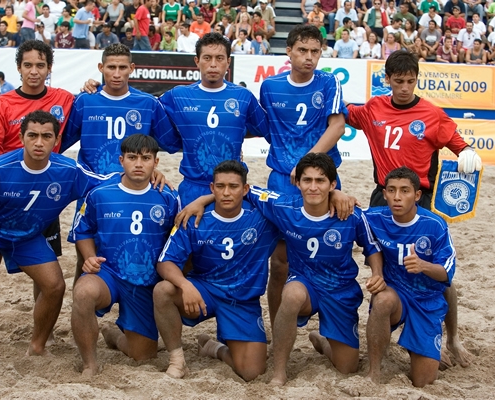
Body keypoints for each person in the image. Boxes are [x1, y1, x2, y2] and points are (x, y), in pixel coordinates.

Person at [345, 50, 480, 369]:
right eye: (399, 81)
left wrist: (469, 153)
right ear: (387, 79)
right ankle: (380, 338)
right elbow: (340, 114)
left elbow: (461, 147)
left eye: (411, 81)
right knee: (382, 273)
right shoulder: (373, 108)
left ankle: (452, 339)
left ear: (417, 80)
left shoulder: (432, 115)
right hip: (383, 196)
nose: (405, 87)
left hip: (421, 199)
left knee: (436, 274)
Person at [0, 110, 107, 376]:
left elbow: (107, 183)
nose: (39, 142)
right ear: (21, 137)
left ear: (56, 139)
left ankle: (37, 346)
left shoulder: (68, 170)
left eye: (46, 136)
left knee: (54, 285)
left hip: (26, 236)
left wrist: (151, 178)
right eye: (33, 136)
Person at [240, 153, 381, 386]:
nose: (313, 187)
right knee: (292, 294)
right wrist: (201, 201)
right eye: (307, 180)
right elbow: (244, 189)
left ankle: (323, 342)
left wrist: (376, 273)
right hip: (304, 282)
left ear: (332, 184)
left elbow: (372, 246)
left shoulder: (351, 214)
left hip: (340, 289)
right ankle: (279, 371)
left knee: (347, 367)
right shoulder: (284, 206)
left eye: (321, 181)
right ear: (297, 183)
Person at [61, 43, 180, 283]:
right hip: (92, 191)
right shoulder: (85, 101)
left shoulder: (147, 103)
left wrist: (154, 169)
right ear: (100, 68)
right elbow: (59, 142)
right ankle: (83, 309)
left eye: (122, 67)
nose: (116, 74)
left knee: (135, 252)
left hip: (136, 191)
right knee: (86, 258)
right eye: (111, 67)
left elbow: (172, 143)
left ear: (132, 69)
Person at [258, 24, 349, 332]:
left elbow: (337, 127)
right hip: (283, 181)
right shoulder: (270, 87)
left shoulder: (329, 82)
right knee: (280, 263)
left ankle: (332, 330)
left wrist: (307, 163)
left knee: (328, 257)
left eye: (315, 52)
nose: (309, 58)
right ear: (289, 51)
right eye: (302, 51)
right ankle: (277, 331)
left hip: (318, 178)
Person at [154, 160, 280, 380]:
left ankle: (215, 348)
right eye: (220, 187)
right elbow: (165, 262)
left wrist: (337, 195)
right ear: (212, 188)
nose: (226, 192)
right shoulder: (194, 218)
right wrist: (185, 284)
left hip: (242, 299)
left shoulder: (262, 218)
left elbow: (299, 203)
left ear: (245, 189)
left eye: (233, 186)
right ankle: (177, 360)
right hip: (205, 291)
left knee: (251, 372)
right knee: (163, 290)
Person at [71, 134, 179, 376]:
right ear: (121, 160)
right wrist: (88, 257)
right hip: (108, 273)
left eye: (145, 158)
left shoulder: (168, 197)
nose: (138, 164)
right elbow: (83, 230)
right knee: (83, 291)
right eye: (132, 157)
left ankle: (113, 335)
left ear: (156, 163)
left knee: (144, 355)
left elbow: (179, 238)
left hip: (145, 282)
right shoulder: (100, 193)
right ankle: (90, 364)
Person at [0, 40, 75, 285]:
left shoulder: (64, 99)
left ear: (49, 68)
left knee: (48, 282)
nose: (34, 71)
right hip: (5, 195)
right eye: (28, 65)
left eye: (40, 65)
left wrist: (91, 86)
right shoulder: (2, 103)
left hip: (44, 197)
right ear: (18, 68)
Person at [364, 167, 457, 387]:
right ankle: (373, 372)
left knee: (423, 381)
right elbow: (347, 212)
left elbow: (447, 273)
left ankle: (422, 347)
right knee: (382, 298)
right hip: (396, 294)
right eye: (392, 190)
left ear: (417, 195)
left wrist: (424, 265)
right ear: (384, 193)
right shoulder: (373, 217)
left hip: (427, 301)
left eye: (404, 191)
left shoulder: (435, 224)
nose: (397, 197)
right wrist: (339, 195)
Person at [159, 32, 268, 206]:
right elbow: (146, 114)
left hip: (230, 187)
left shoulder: (243, 96)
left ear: (228, 62)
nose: (213, 64)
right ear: (197, 61)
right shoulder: (177, 95)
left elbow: (267, 129)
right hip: (193, 188)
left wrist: (236, 135)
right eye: (207, 58)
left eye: (219, 58)